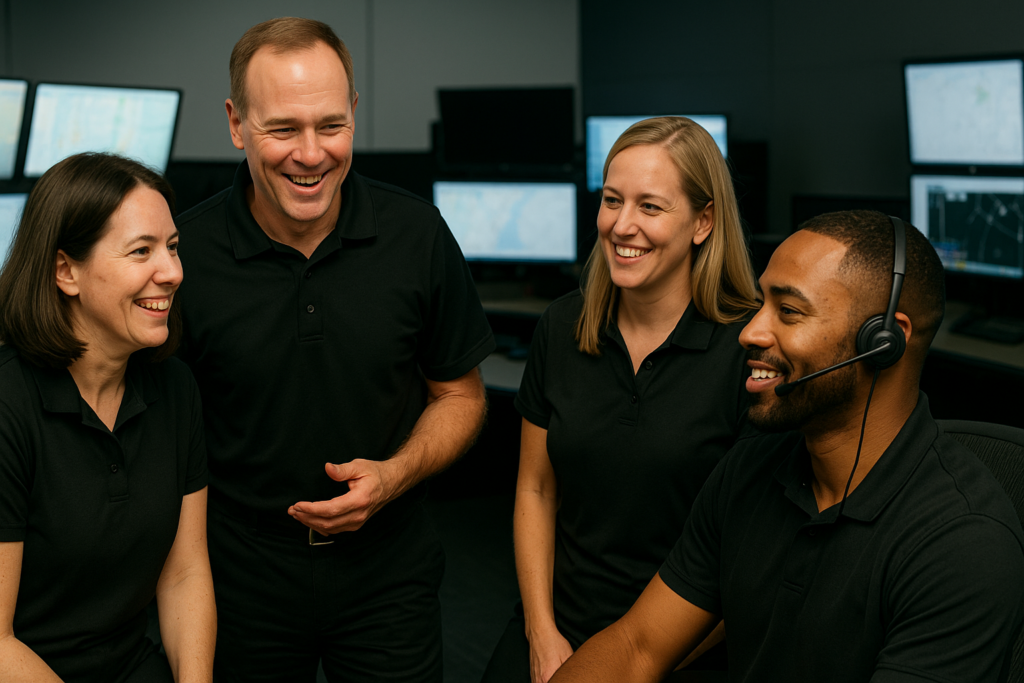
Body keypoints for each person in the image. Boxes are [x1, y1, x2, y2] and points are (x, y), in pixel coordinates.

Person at [550, 210, 1024, 683]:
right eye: (760, 305)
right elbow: (637, 646)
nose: (750, 332)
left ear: (883, 342)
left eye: (789, 312)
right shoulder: (750, 467)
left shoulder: (963, 544)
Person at [173, 17, 493, 683]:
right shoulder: (182, 257)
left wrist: (396, 474)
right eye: (283, 129)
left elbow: (460, 395)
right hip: (236, 577)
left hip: (389, 572)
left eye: (330, 125)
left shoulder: (418, 235)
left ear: (353, 113)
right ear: (236, 124)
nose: (311, 153)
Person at [480, 117, 760, 683]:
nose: (621, 225)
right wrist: (541, 631)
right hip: (562, 628)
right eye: (612, 200)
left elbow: (755, 555)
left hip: (687, 643)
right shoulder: (563, 326)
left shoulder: (748, 350)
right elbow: (535, 488)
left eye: (650, 207)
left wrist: (638, 665)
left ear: (703, 222)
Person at [0, 153, 215, 683]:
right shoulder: (8, 404)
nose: (172, 272)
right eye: (141, 251)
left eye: (172, 247)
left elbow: (184, 574)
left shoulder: (175, 389)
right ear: (65, 270)